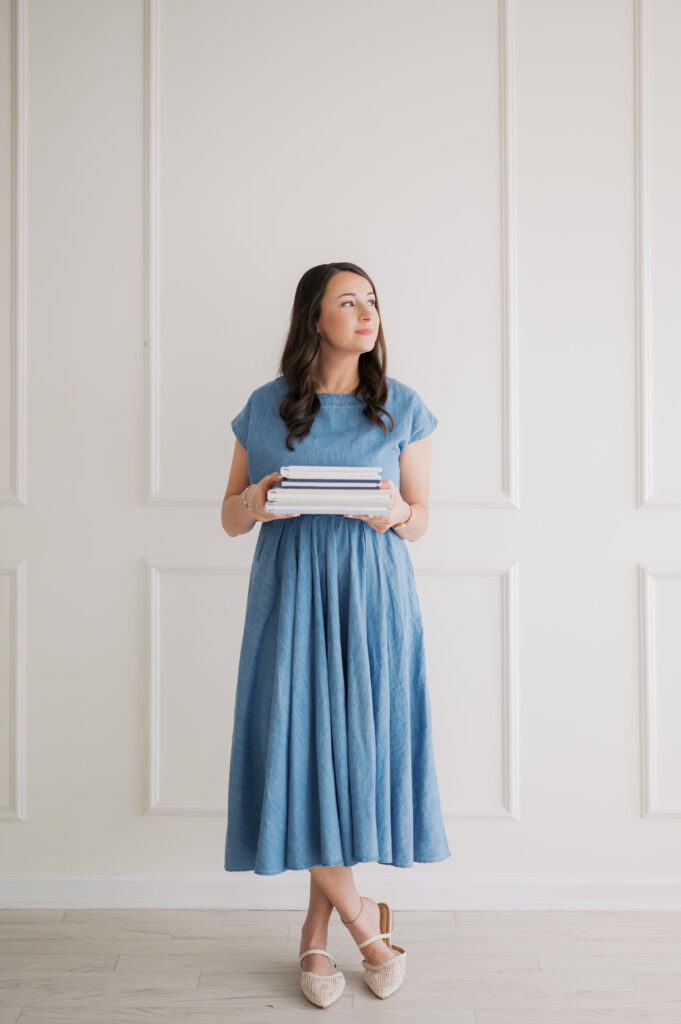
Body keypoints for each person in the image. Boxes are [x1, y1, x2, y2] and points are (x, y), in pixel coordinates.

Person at [221, 261, 451, 1006]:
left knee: (350, 757)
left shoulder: (402, 407)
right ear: (312, 319)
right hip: (289, 597)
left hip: (372, 601)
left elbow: (419, 518)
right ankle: (363, 921)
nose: (366, 313)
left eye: (371, 301)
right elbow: (228, 516)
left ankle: (315, 931)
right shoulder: (265, 407)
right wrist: (255, 501)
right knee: (300, 751)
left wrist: (395, 513)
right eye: (347, 302)